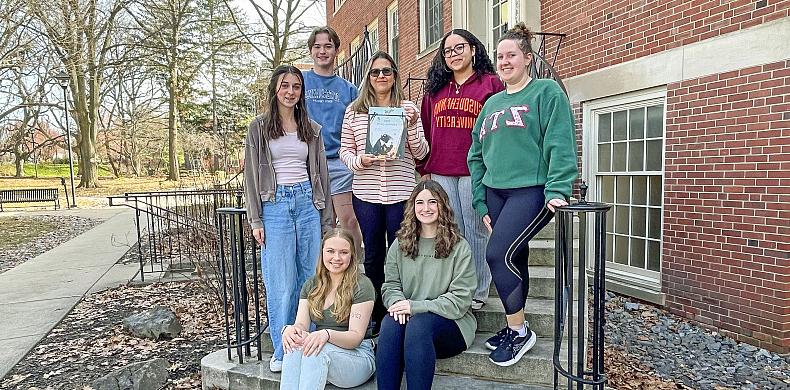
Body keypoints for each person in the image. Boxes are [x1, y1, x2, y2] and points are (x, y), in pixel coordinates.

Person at [467, 23, 578, 367]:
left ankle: (519, 332)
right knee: (516, 258)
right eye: (499, 56)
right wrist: (481, 199)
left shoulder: (546, 93)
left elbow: (560, 140)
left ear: (528, 59)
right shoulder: (492, 103)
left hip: (530, 191)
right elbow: (476, 153)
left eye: (511, 55)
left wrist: (559, 188)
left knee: (498, 254)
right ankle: (517, 323)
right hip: (496, 193)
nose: (504, 61)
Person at [243, 65, 335, 373]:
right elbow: (251, 178)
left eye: (296, 86)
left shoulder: (311, 128)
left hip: (307, 202)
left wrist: (326, 219)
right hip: (276, 207)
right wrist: (256, 219)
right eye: (285, 85)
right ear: (275, 89)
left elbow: (322, 174)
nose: (291, 91)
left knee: (309, 278)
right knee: (280, 282)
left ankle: (306, 342)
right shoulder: (258, 128)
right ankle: (283, 350)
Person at [339, 51, 429, 333]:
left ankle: (401, 308)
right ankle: (377, 312)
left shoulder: (408, 108)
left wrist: (412, 125)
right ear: (368, 77)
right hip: (366, 194)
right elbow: (345, 150)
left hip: (401, 193)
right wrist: (358, 161)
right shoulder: (354, 111)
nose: (381, 76)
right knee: (374, 254)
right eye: (375, 72)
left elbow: (422, 152)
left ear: (395, 76)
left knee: (402, 252)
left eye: (386, 71)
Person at [418, 29, 504, 311]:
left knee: (476, 229)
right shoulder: (435, 90)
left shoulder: (491, 84)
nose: (453, 54)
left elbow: (498, 130)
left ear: (473, 49)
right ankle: (457, 286)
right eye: (448, 51)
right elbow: (425, 130)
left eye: (459, 48)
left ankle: (478, 290)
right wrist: (424, 168)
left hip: (475, 171)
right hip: (441, 170)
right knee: (451, 230)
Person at [375, 180, 477, 390]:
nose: (426, 208)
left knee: (419, 325)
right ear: (412, 207)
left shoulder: (460, 246)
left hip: (451, 325)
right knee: (389, 323)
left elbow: (460, 300)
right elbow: (391, 285)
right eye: (419, 203)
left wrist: (415, 306)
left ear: (443, 206)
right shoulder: (400, 243)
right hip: (410, 323)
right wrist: (398, 303)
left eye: (433, 202)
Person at [280, 228, 375, 389]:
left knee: (315, 350)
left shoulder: (362, 285)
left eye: (343, 252)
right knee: (294, 347)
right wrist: (290, 331)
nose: (336, 258)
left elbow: (355, 338)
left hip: (358, 356)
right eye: (331, 251)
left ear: (352, 255)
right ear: (322, 252)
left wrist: (327, 334)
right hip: (323, 353)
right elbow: (301, 325)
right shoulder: (311, 285)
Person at [303, 27, 364, 256]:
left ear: (336, 50)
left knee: (348, 221)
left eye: (328, 46)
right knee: (316, 224)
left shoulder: (348, 89)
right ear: (311, 51)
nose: (322, 51)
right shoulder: (301, 82)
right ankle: (320, 276)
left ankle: (353, 273)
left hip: (339, 161)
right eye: (317, 47)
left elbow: (360, 125)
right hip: (308, 163)